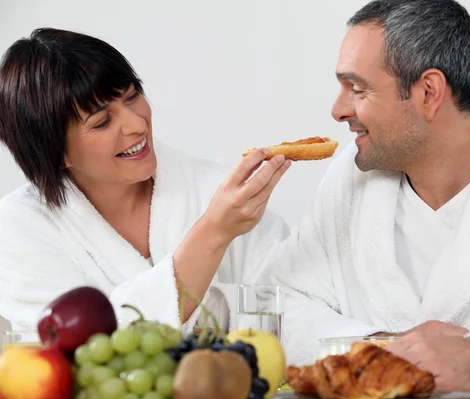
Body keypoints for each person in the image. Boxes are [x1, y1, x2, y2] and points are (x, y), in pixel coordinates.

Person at [262, 0, 470, 395]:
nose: (337, 110)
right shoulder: (347, 181)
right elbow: (280, 307)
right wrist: (385, 347)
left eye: (356, 88)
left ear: (428, 92)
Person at [0, 28, 291, 333]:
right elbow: (82, 346)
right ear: (56, 151)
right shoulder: (20, 229)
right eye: (102, 122)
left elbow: (290, 300)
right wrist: (213, 233)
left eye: (132, 96)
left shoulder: (216, 190)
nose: (137, 124)